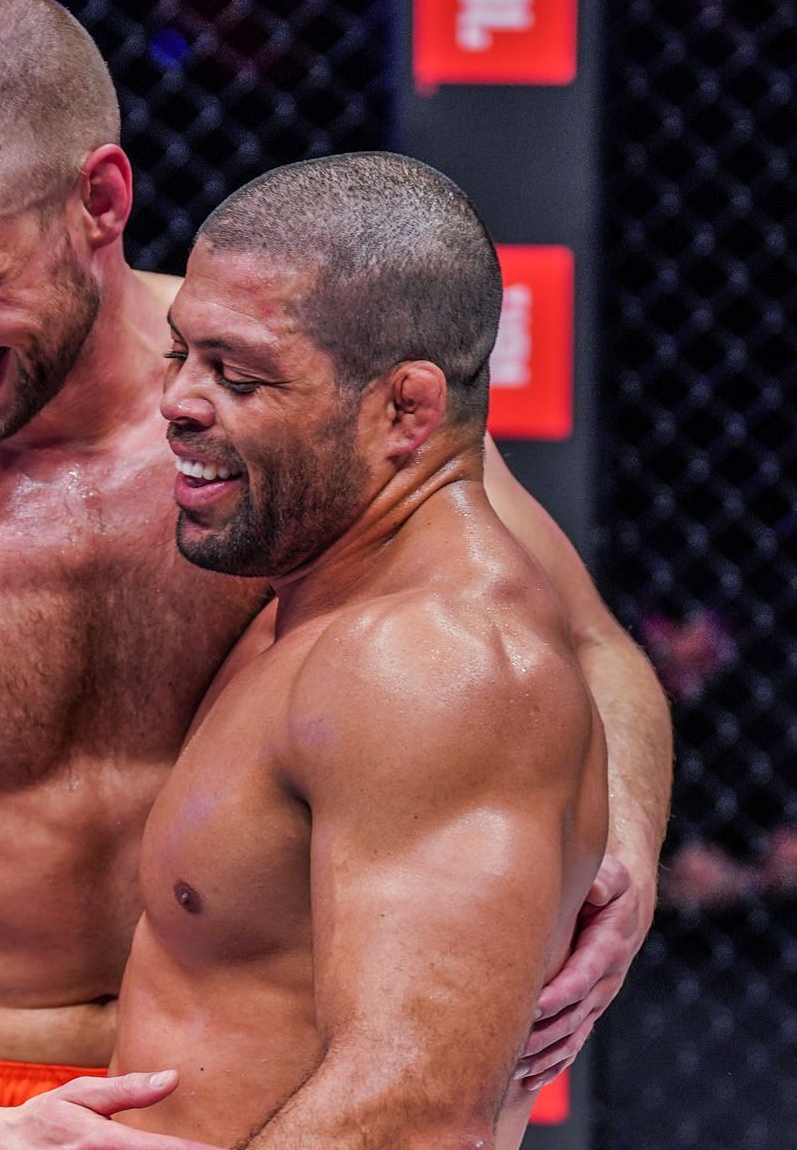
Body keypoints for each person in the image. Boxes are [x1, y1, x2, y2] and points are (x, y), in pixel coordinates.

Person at [0, 0, 670, 1149]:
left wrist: (622, 859)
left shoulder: (289, 410)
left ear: (99, 198)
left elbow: (583, 649)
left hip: (255, 1109)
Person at [106, 151, 606, 1148]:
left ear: (406, 411)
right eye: (183, 356)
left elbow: (415, 1111)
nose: (180, 403)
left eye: (238, 374)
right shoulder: (315, 600)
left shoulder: (436, 662)